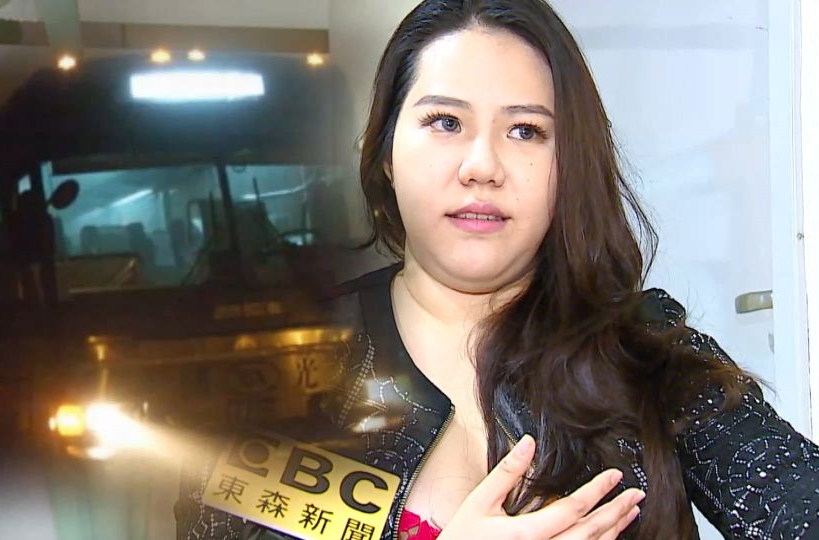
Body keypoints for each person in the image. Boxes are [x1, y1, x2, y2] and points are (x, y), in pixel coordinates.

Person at [175, 1, 819, 539]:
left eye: (526, 131)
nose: (482, 165)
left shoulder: (647, 352)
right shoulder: (278, 365)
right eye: (445, 122)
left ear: (568, 164)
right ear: (387, 152)